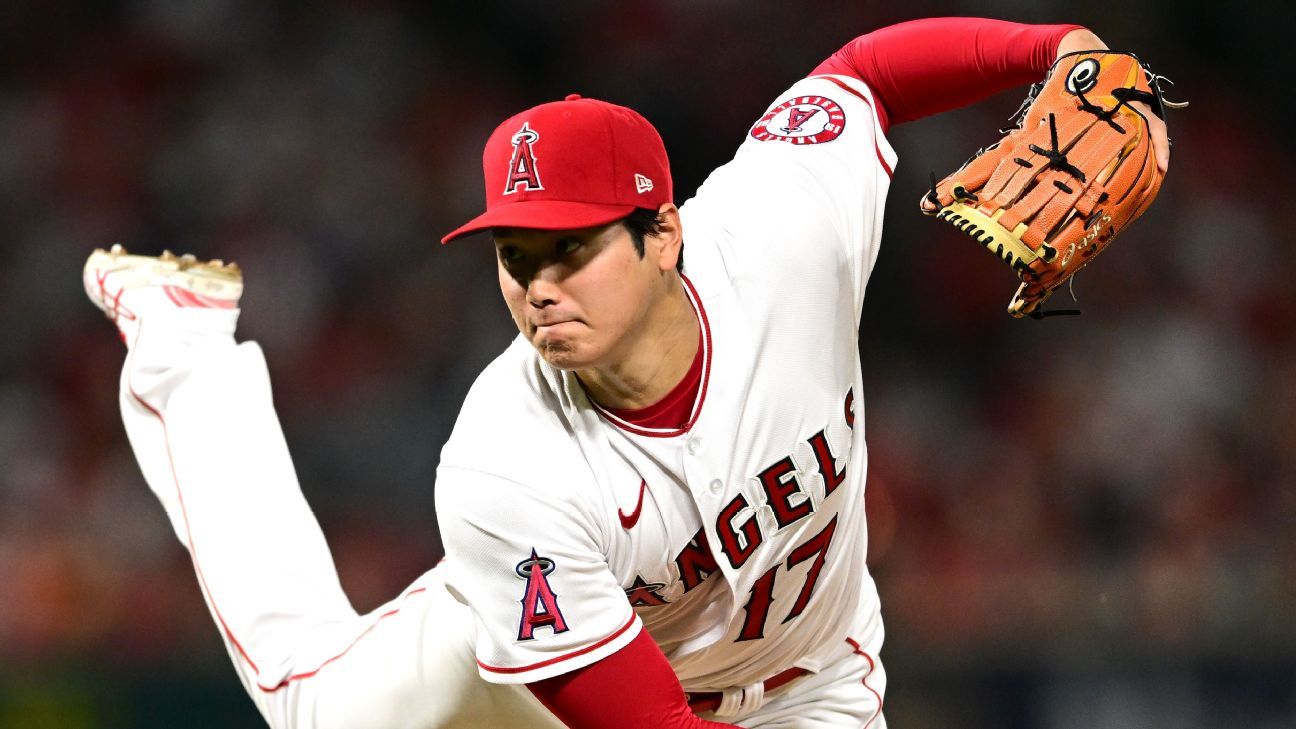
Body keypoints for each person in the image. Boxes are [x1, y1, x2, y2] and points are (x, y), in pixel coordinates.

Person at [84, 17, 1169, 729]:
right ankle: (184, 349)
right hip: (548, 659)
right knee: (315, 714)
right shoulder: (503, 465)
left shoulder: (779, 230)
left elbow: (863, 79)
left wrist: (1051, 45)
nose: (538, 287)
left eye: (570, 250)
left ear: (664, 234)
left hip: (813, 682)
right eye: (516, 259)